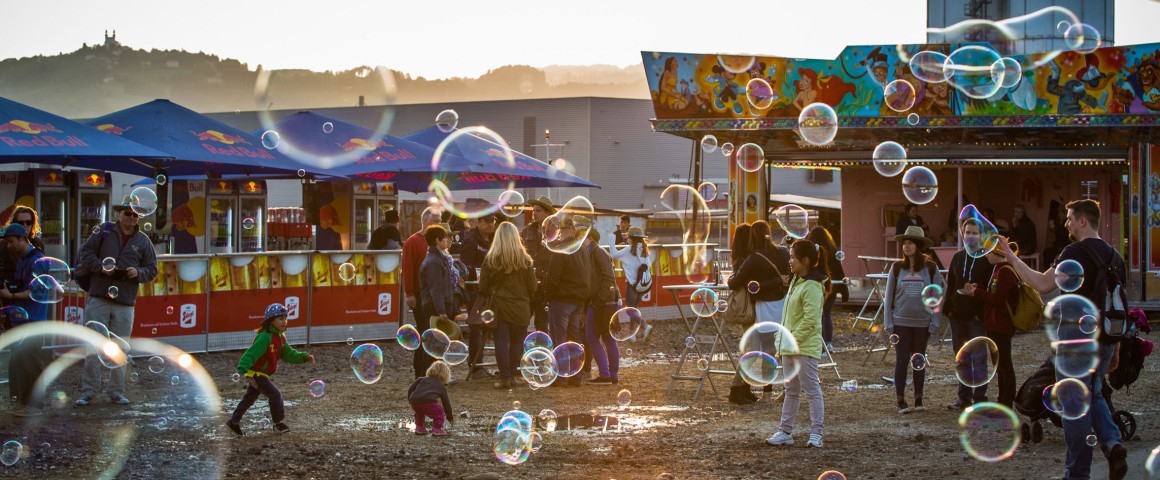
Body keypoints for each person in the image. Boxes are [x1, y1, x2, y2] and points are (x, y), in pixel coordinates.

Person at [996, 199, 1128, 480]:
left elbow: (1042, 284)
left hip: (1075, 338)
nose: (1066, 223)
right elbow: (1118, 305)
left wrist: (1011, 256)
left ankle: (1077, 473)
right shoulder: (1115, 256)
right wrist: (1115, 347)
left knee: (1074, 405)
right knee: (1093, 394)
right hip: (1106, 336)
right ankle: (1113, 444)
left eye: (1069, 218)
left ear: (1082, 221)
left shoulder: (1075, 252)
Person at [75, 197, 158, 407]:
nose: (130, 217)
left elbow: (152, 270)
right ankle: (89, 391)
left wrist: (137, 272)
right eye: (126, 213)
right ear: (119, 214)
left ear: (138, 217)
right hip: (99, 297)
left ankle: (116, 392)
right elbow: (84, 253)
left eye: (134, 214)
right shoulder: (103, 231)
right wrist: (101, 266)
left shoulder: (143, 241)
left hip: (124, 302)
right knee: (94, 346)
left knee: (121, 348)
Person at [765, 239, 828, 449]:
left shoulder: (812, 285)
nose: (789, 261)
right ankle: (785, 432)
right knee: (791, 389)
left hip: (804, 347)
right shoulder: (796, 281)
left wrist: (790, 339)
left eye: (793, 257)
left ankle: (816, 434)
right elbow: (788, 317)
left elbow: (811, 320)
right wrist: (781, 341)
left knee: (812, 390)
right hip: (790, 346)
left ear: (806, 260)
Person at [225, 303, 315, 436]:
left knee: (249, 398)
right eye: (280, 318)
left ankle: (233, 422)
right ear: (270, 321)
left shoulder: (280, 338)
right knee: (275, 394)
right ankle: (278, 423)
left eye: (285, 318)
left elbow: (289, 354)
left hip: (262, 374)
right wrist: (244, 371)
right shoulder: (265, 337)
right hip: (257, 374)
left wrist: (303, 357)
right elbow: (250, 354)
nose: (284, 321)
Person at [884, 225, 943, 414]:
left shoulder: (931, 269)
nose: (906, 246)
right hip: (900, 321)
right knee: (901, 360)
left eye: (910, 243)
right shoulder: (896, 268)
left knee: (918, 360)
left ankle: (919, 397)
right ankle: (900, 399)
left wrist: (935, 322)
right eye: (904, 243)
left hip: (922, 323)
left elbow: (937, 297)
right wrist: (888, 323)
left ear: (918, 245)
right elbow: (888, 297)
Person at [942, 218, 996, 410]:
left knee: (979, 359)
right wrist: (947, 308)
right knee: (961, 359)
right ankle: (963, 399)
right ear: (962, 235)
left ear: (981, 236)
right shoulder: (957, 258)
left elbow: (990, 289)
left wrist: (981, 314)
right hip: (957, 316)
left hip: (976, 318)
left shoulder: (987, 260)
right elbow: (951, 285)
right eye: (967, 233)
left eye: (974, 233)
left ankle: (980, 400)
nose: (970, 236)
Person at [480, 222, 537, 389]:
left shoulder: (491, 259)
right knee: (517, 342)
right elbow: (532, 287)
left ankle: (504, 377)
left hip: (499, 306)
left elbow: (483, 287)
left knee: (501, 341)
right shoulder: (526, 260)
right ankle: (513, 374)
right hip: (521, 307)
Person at [1, 224, 49, 417]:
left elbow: (36, 292)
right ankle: (24, 403)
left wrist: (11, 296)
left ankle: (35, 405)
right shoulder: (22, 259)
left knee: (32, 362)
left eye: (11, 242)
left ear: (22, 239)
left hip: (34, 318)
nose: (8, 246)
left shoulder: (37, 261)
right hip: (22, 318)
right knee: (21, 361)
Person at [962, 243, 1018, 409]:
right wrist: (978, 288)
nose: (986, 255)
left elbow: (998, 299)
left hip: (1001, 324)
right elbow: (993, 293)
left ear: (998, 253)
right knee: (999, 364)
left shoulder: (1005, 271)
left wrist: (977, 293)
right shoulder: (999, 269)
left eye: (989, 252)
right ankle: (1003, 399)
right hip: (995, 323)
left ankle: (1007, 400)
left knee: (1004, 364)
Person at [542, 217, 591, 386]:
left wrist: (547, 296)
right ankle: (576, 376)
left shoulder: (561, 249)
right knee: (574, 338)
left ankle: (561, 377)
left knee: (560, 339)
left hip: (561, 299)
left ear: (562, 231)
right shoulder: (582, 249)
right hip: (578, 299)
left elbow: (552, 278)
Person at [403, 207, 442, 378]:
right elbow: (407, 268)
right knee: (426, 332)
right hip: (420, 294)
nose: (441, 223)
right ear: (427, 221)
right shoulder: (413, 241)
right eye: (438, 220)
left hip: (434, 294)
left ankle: (432, 371)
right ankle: (421, 372)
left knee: (434, 334)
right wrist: (409, 293)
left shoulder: (438, 242)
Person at [728, 221, 790, 324]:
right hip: (783, 302)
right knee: (781, 336)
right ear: (768, 233)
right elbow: (789, 276)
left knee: (765, 336)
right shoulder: (784, 252)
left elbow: (735, 283)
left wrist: (730, 279)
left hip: (763, 306)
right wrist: (780, 281)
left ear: (752, 236)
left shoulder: (753, 258)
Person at [726, 224, 761, 405]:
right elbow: (736, 282)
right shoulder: (745, 261)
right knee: (752, 349)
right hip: (750, 309)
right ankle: (736, 388)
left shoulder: (741, 259)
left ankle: (744, 389)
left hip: (753, 308)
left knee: (752, 349)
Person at [583, 226, 620, 385]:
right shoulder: (591, 253)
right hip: (601, 302)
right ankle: (610, 375)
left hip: (604, 303)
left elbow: (608, 278)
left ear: (589, 238)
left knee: (598, 337)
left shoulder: (598, 253)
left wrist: (599, 300)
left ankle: (608, 375)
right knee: (602, 337)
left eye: (582, 237)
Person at [419, 225, 456, 373]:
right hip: (435, 306)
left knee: (436, 343)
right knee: (435, 343)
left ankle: (433, 373)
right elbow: (436, 288)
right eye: (445, 238)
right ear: (437, 240)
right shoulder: (434, 261)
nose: (448, 240)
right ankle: (431, 373)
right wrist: (441, 310)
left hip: (434, 304)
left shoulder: (435, 258)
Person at [806, 226, 848, 351]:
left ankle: (818, 343)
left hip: (815, 286)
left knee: (817, 315)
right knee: (827, 314)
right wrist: (844, 290)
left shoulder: (811, 252)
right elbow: (840, 272)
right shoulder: (832, 250)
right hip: (831, 287)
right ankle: (828, 342)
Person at [522, 196, 554, 333]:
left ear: (548, 214)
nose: (534, 213)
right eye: (533, 210)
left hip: (545, 286)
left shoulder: (555, 232)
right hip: (527, 285)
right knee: (521, 322)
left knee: (542, 325)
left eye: (538, 210)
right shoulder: (526, 231)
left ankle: (542, 352)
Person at [408, 360, 455, 436]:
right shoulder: (441, 386)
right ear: (446, 375)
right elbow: (446, 403)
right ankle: (437, 429)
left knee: (419, 414)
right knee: (439, 414)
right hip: (429, 402)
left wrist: (410, 400)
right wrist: (450, 416)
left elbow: (410, 389)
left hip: (414, 402)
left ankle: (419, 428)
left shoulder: (421, 379)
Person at [608, 227, 650, 309]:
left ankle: (640, 322)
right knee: (635, 310)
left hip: (632, 285)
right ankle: (639, 322)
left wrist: (611, 239)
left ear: (631, 238)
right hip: (642, 285)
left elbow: (613, 255)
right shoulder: (644, 249)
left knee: (630, 311)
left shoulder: (630, 249)